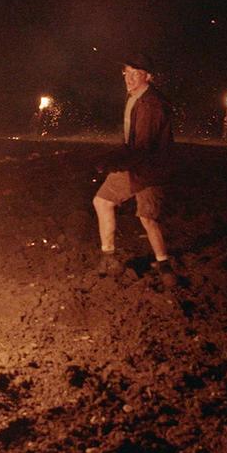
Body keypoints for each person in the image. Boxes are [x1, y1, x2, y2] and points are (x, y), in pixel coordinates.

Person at [92, 53, 178, 288]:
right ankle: (108, 258)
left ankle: (164, 266)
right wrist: (111, 158)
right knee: (102, 201)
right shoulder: (135, 98)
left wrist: (113, 162)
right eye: (126, 73)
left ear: (148, 77)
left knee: (148, 219)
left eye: (135, 74)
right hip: (134, 165)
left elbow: (143, 147)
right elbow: (131, 142)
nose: (129, 79)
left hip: (150, 171)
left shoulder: (151, 104)